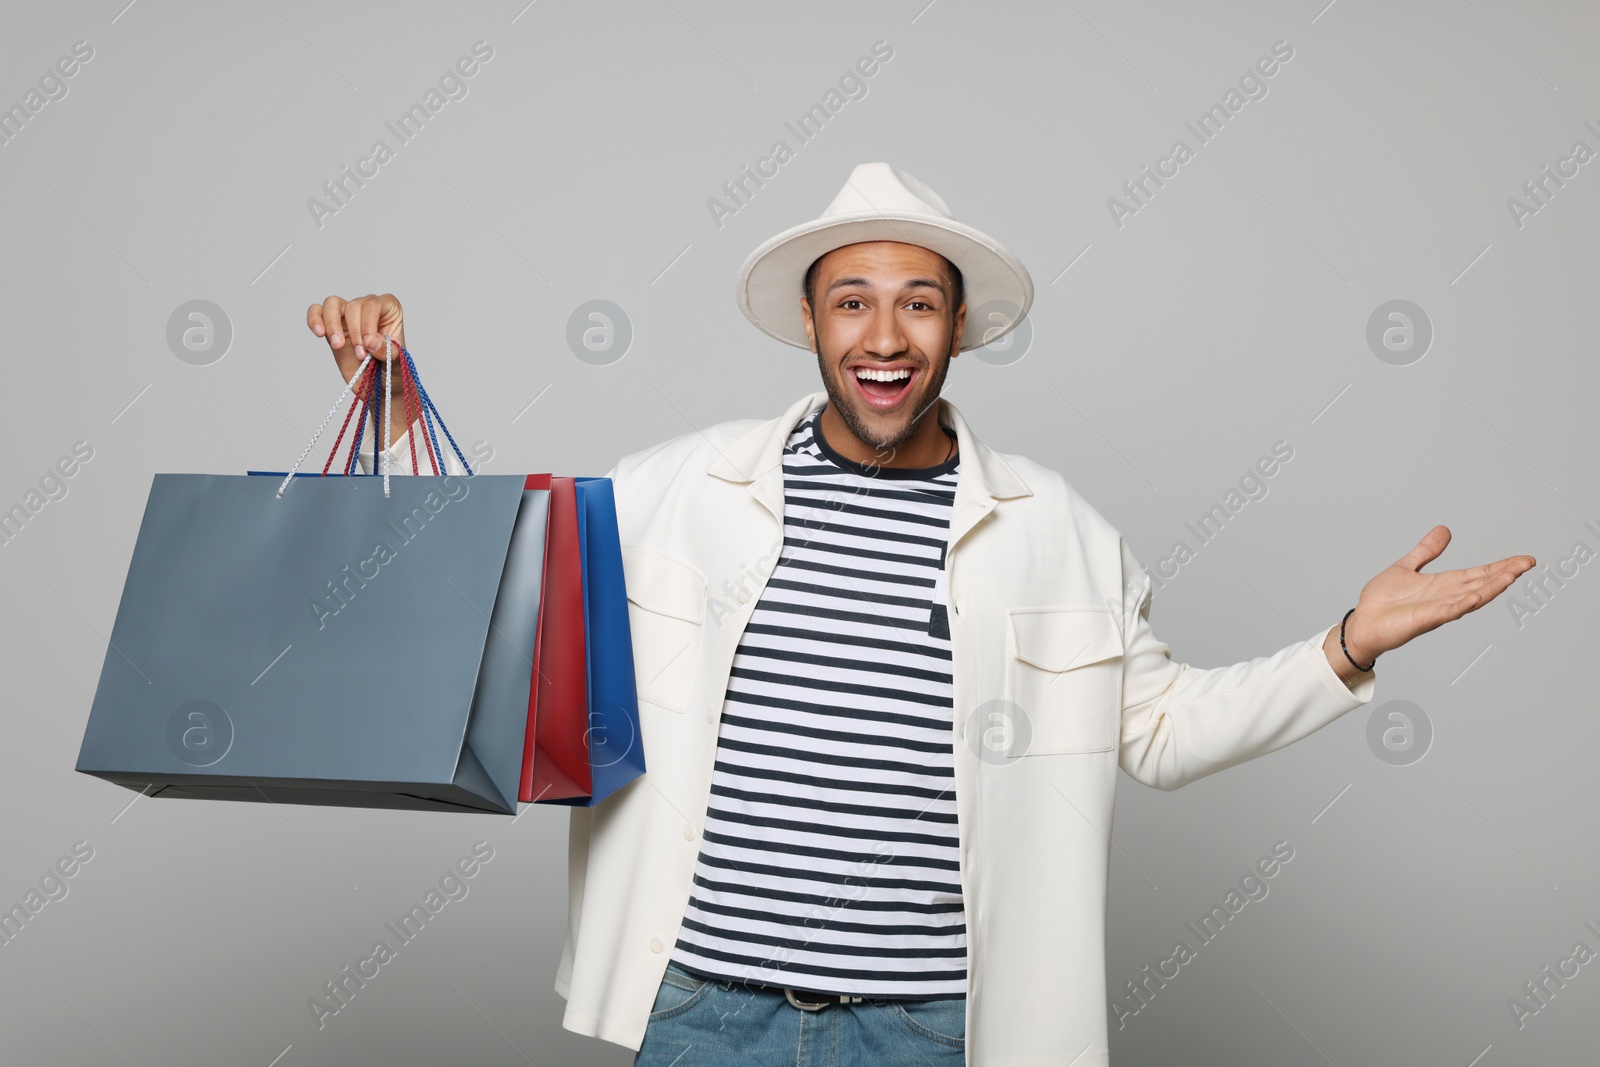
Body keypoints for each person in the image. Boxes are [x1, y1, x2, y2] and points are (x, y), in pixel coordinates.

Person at [306, 162, 1534, 1067]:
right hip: (701, 1009)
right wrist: (400, 402)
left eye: (916, 305)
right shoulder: (676, 490)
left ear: (958, 329)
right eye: (851, 303)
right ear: (811, 321)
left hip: (932, 1027)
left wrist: (1343, 646)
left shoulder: (1057, 529)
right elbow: (492, 590)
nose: (882, 338)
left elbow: (1161, 730)